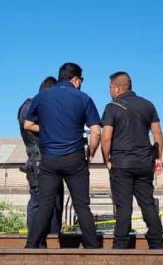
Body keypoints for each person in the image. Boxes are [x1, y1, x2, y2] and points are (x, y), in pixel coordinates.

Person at [22, 62, 103, 249]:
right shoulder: (83, 98)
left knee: (44, 205)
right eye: (81, 80)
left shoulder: (41, 97)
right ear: (75, 79)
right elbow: (96, 132)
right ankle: (92, 248)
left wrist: (49, 130)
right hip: (75, 159)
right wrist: (91, 151)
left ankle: (31, 246)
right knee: (82, 206)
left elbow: (27, 124)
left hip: (49, 160)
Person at [101, 71, 163, 249]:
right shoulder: (148, 105)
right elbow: (158, 134)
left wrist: (106, 158)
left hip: (121, 163)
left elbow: (106, 137)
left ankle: (120, 246)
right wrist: (158, 158)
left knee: (123, 206)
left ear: (116, 88)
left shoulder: (111, 107)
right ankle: (157, 242)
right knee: (147, 203)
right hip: (144, 162)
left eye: (109, 88)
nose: (109, 91)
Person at [18, 76, 63, 237]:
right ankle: (37, 243)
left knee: (52, 205)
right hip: (40, 162)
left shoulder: (28, 106)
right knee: (40, 204)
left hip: (46, 162)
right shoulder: (31, 107)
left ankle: (45, 242)